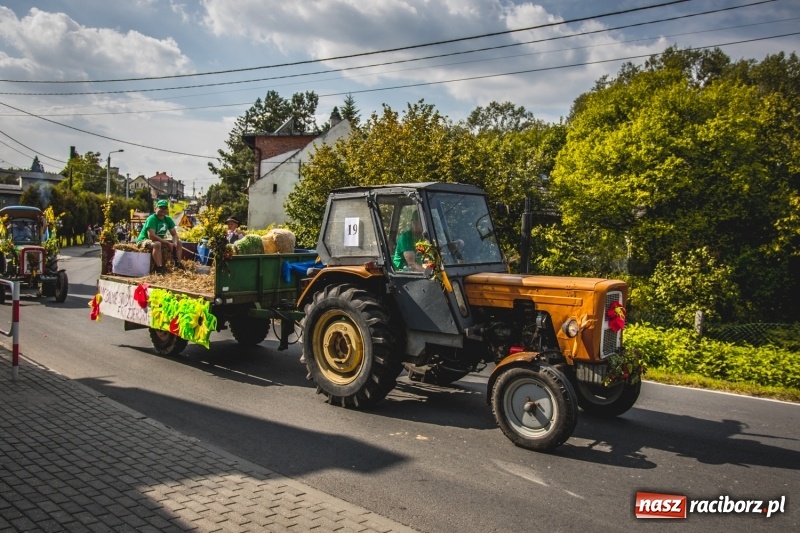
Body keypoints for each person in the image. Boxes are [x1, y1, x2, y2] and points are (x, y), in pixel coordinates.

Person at [136, 199, 184, 274]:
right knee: (157, 244)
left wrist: (174, 243)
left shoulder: (168, 219)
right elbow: (151, 236)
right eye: (161, 208)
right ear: (156, 209)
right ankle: (159, 268)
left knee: (179, 243)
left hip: (158, 240)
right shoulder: (151, 219)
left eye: (165, 208)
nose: (163, 210)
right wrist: (167, 243)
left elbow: (174, 234)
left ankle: (178, 263)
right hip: (144, 240)